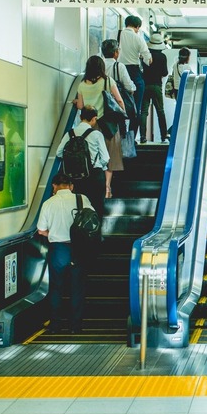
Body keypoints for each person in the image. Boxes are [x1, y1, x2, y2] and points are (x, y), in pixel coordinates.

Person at [37, 172, 92, 334]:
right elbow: (92, 223)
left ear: (54, 186)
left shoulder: (49, 203)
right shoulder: (82, 199)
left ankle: (55, 326)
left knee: (56, 288)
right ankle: (75, 327)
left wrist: (53, 234)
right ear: (71, 186)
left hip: (58, 250)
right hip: (78, 249)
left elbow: (41, 230)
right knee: (77, 288)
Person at [75, 56, 125, 201]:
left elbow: (80, 106)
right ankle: (107, 188)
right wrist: (122, 112)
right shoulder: (108, 81)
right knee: (108, 156)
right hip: (107, 125)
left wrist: (76, 101)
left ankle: (93, 188)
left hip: (91, 126)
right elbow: (119, 100)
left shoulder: (82, 84)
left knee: (93, 157)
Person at [56, 105, 109, 219]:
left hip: (74, 177)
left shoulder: (69, 134)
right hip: (94, 176)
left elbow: (59, 153)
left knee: (77, 206)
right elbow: (105, 158)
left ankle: (78, 231)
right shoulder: (96, 134)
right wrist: (98, 165)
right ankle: (94, 232)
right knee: (96, 206)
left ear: (80, 117)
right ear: (94, 118)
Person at [117, 15, 152, 141]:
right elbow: (148, 60)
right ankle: (131, 140)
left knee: (118, 107)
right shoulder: (138, 38)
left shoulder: (118, 35)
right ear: (137, 27)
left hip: (118, 72)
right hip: (134, 73)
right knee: (136, 109)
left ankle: (120, 137)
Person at [140, 33, 169, 144]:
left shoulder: (145, 56)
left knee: (143, 112)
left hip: (145, 85)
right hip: (157, 85)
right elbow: (165, 73)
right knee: (160, 111)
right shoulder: (162, 57)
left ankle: (142, 137)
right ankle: (163, 137)